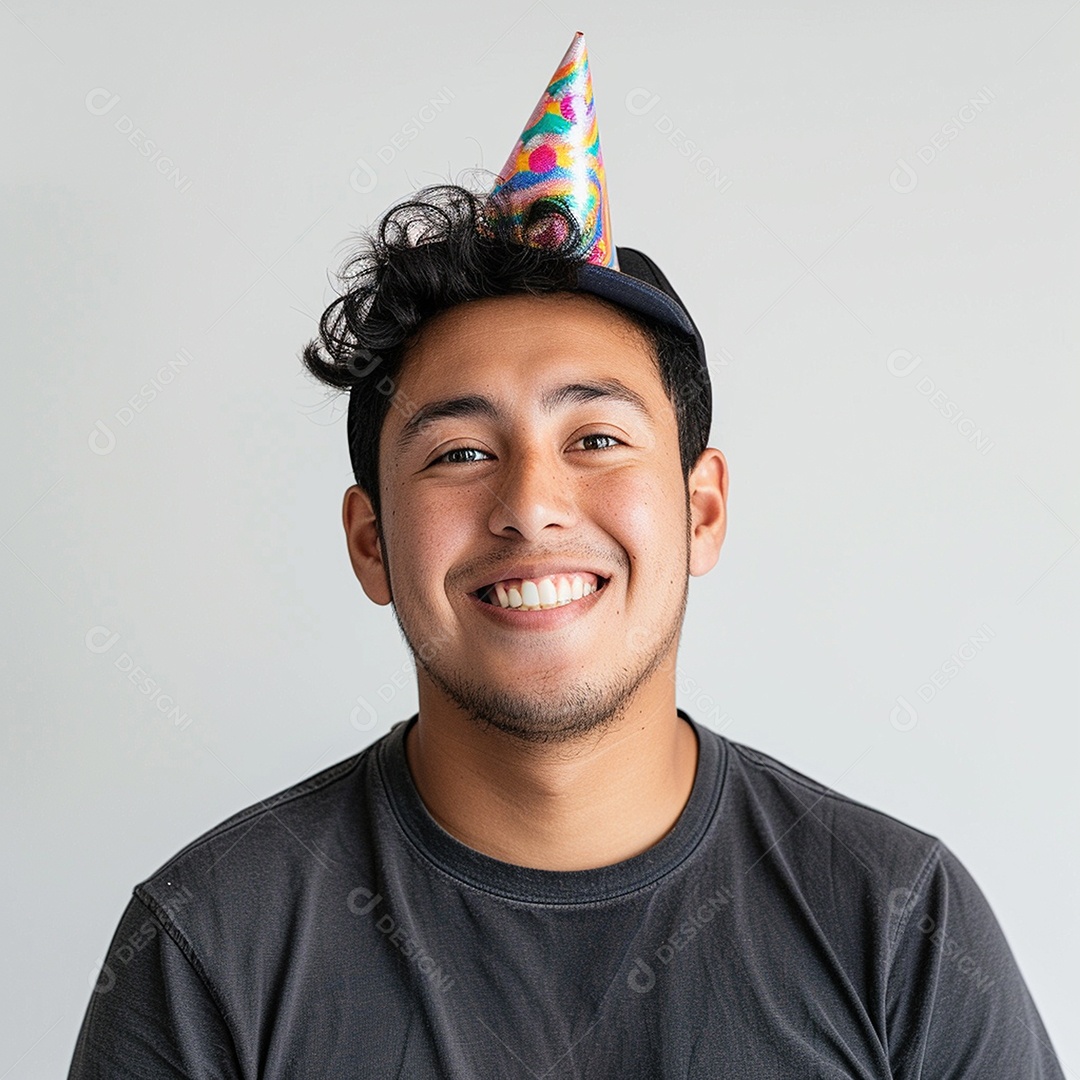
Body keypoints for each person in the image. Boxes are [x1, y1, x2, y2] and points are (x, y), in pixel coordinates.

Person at [69, 33, 1064, 1078]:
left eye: (595, 439)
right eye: (459, 451)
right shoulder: (209, 952)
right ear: (370, 542)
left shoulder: (899, 925)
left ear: (703, 509)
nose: (532, 506)